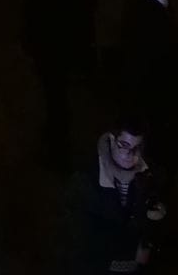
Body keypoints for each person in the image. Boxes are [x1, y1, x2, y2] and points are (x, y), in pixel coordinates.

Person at [23, 0, 98, 164]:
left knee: (56, 98)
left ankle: (59, 149)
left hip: (49, 47)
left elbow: (30, 13)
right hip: (76, 39)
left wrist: (29, 44)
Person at [67, 114, 170, 275]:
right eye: (124, 145)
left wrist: (157, 220)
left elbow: (159, 232)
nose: (130, 154)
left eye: (137, 147)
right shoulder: (86, 179)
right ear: (111, 139)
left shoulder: (151, 177)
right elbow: (76, 237)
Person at [117, 0, 178, 179]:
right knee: (160, 163)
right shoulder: (156, 17)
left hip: (148, 105)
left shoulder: (139, 5)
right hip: (157, 108)